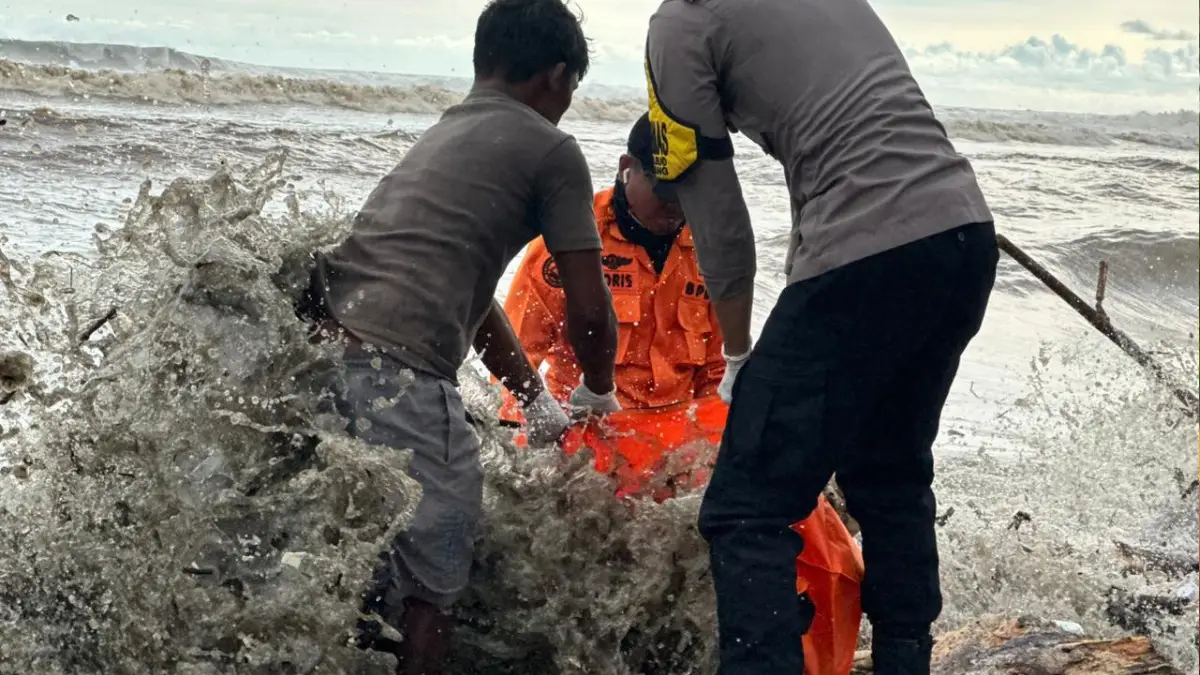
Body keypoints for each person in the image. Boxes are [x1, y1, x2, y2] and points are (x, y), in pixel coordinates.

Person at [642, 1, 1000, 673]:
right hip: (965, 236)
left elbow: (716, 213)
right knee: (890, 473)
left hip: (868, 251)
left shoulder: (679, 23)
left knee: (747, 508)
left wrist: (739, 352)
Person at [296, 1, 623, 672]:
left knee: (359, 552)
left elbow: (467, 298)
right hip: (401, 373)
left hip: (324, 354)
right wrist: (597, 389)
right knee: (437, 571)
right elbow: (590, 309)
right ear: (558, 76)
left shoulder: (444, 133)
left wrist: (533, 398)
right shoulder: (552, 149)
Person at [498, 112, 865, 675]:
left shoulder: (711, 252)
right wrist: (527, 444)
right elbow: (516, 364)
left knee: (802, 519)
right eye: (666, 192)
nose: (676, 208)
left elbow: (721, 379)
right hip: (591, 440)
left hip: (679, 441)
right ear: (627, 168)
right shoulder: (566, 246)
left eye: (689, 195)